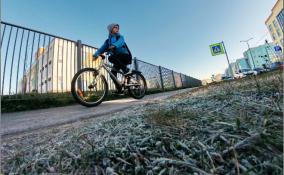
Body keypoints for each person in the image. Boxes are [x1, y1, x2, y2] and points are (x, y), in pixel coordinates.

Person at [93, 23, 132, 93]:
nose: (117, 29)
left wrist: (114, 45)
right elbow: (102, 49)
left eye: (118, 28)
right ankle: (119, 89)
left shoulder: (120, 37)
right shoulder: (108, 41)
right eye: (115, 27)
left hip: (125, 56)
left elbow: (121, 42)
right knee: (112, 74)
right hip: (117, 59)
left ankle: (126, 70)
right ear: (111, 29)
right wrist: (96, 55)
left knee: (111, 58)